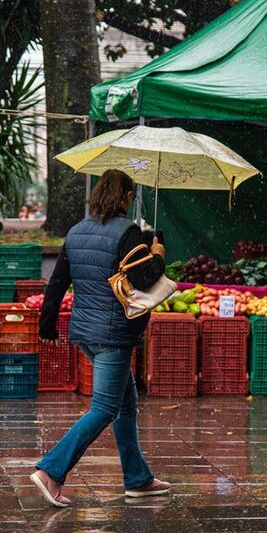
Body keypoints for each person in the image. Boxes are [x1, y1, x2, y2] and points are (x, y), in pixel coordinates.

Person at [30, 169, 171, 507]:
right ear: (124, 197)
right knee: (105, 408)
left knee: (125, 403)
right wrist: (159, 255)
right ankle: (51, 471)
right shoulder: (129, 232)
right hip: (114, 334)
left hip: (85, 333)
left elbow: (57, 282)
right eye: (130, 194)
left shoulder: (76, 232)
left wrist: (47, 324)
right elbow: (145, 279)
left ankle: (138, 479)